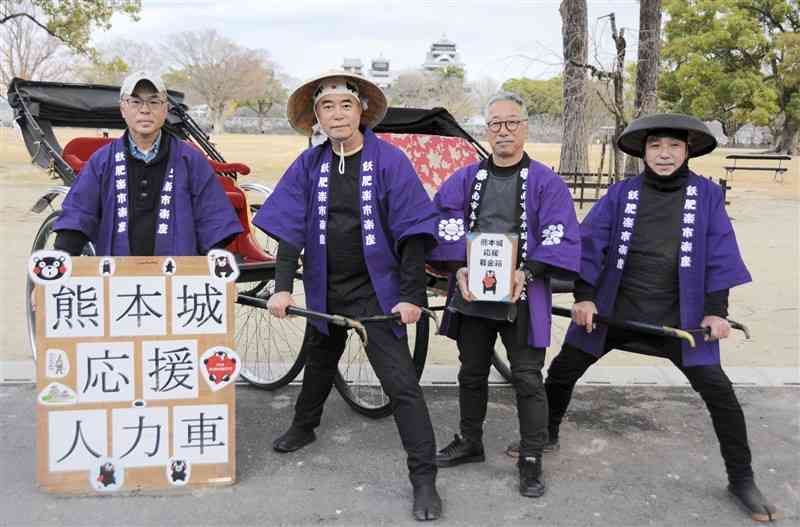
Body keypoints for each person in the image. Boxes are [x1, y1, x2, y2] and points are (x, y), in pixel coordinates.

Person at [544, 113, 781, 522]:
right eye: (656, 146)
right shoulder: (622, 194)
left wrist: (716, 312)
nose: (664, 154)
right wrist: (584, 297)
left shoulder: (706, 195)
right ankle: (545, 434)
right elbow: (590, 244)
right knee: (563, 371)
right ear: (644, 151)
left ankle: (741, 478)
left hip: (683, 318)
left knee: (720, 395)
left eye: (673, 146)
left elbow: (719, 253)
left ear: (687, 150)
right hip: (615, 309)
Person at [252, 71, 442, 521]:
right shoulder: (309, 164)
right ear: (316, 117)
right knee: (319, 357)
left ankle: (424, 477)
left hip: (376, 293)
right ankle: (304, 426)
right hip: (323, 285)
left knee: (401, 385)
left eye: (345, 106)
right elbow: (289, 230)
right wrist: (281, 288)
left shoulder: (390, 161)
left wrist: (412, 295)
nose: (336, 115)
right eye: (326, 107)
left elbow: (415, 231)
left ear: (361, 112)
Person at [428, 92, 580, 498]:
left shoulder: (547, 181)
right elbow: (443, 221)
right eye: (495, 123)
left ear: (525, 128)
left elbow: (558, 235)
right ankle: (470, 440)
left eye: (512, 123)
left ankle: (531, 456)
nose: (504, 131)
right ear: (486, 130)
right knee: (471, 371)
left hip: (523, 293)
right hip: (472, 291)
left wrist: (527, 272)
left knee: (528, 378)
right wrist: (458, 266)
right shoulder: (465, 179)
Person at [53, 71, 241, 256]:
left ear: (165, 109)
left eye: (154, 102)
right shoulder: (102, 161)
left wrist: (208, 261)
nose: (145, 109)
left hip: (177, 275)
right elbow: (79, 212)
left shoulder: (190, 159)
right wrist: (63, 255)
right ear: (123, 109)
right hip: (116, 276)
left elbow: (213, 215)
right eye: (135, 102)